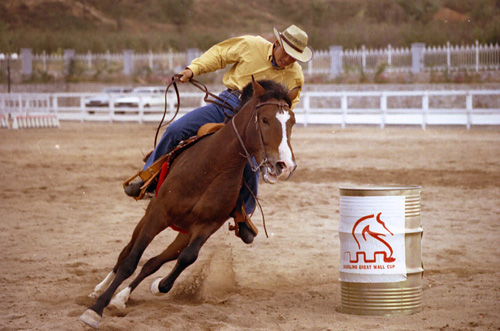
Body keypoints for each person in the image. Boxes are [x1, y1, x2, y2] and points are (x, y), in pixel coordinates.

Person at [125, 24, 313, 243]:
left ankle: (242, 215)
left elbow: (286, 107)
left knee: (251, 163)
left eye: (294, 58)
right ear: (278, 43)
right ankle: (149, 177)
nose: (289, 60)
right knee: (176, 130)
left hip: (253, 120)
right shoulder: (251, 45)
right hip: (225, 104)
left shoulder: (295, 75)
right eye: (287, 54)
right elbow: (219, 55)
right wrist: (192, 70)